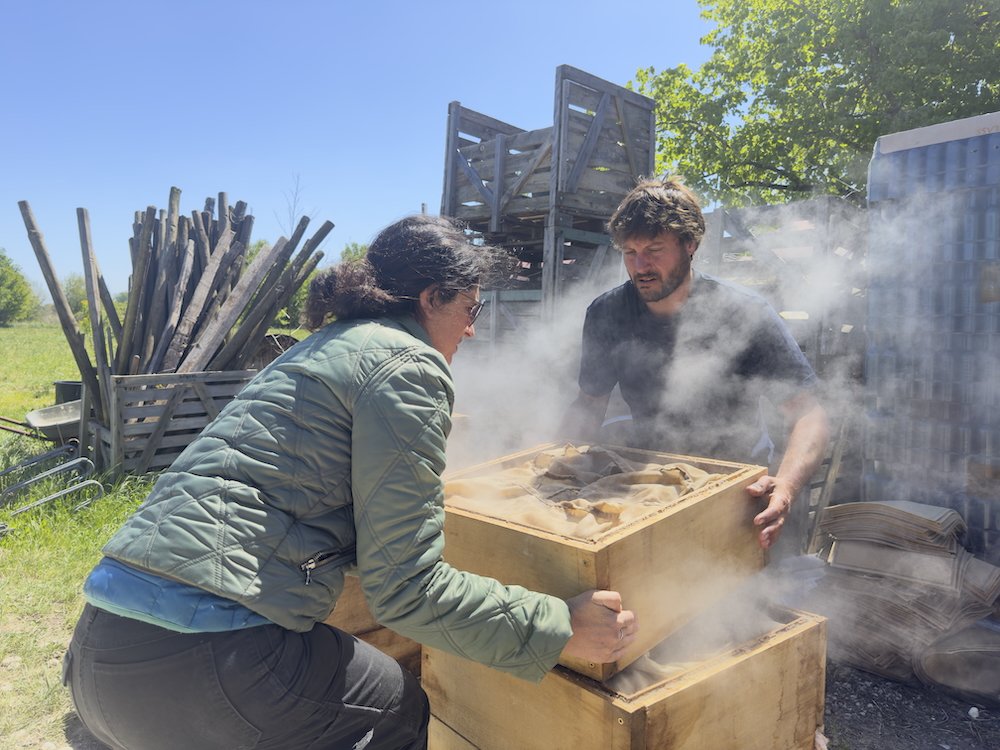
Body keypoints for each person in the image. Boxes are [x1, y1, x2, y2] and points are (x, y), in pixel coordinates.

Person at [64, 215, 638, 750]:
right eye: (469, 308)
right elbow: (404, 592)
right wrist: (557, 626)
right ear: (429, 297)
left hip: (99, 661)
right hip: (209, 666)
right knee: (398, 707)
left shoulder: (321, 348)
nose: (469, 329)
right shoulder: (406, 364)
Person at [560, 178, 830, 551]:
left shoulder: (744, 312)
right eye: (629, 252)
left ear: (690, 244)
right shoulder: (607, 313)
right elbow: (589, 404)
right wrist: (561, 466)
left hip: (737, 492)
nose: (641, 266)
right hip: (649, 489)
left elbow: (807, 414)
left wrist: (784, 487)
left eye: (654, 249)